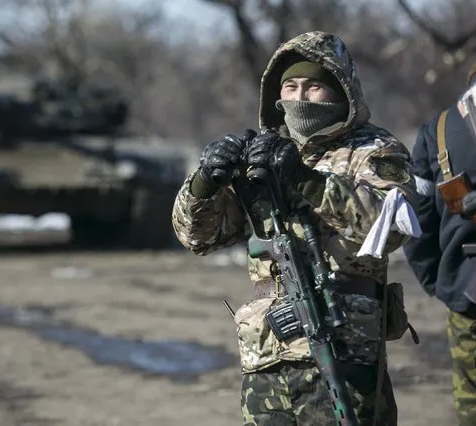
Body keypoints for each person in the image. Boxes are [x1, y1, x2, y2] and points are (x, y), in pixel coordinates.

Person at [171, 31, 418, 425]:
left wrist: (306, 180)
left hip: (343, 349)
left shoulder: (375, 149)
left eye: (314, 86)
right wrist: (205, 182)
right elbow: (197, 237)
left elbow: (389, 229)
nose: (299, 96)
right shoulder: (261, 153)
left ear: (342, 91)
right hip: (266, 354)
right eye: (290, 86)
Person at [403, 65, 476, 426]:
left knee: (471, 401)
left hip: (467, 293)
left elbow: (417, 220)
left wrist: (439, 281)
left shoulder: (439, 130)